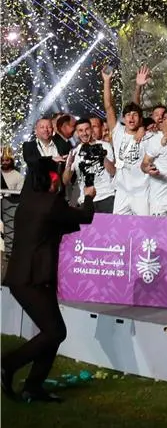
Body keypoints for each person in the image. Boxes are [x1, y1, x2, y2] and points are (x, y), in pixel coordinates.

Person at [1, 159, 96, 403]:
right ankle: (8, 365)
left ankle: (33, 387)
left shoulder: (29, 198)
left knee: (52, 332)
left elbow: (58, 223)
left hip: (24, 277)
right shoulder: (50, 203)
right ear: (51, 179)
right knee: (55, 331)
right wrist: (88, 194)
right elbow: (85, 217)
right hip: (32, 279)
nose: (58, 178)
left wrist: (50, 167)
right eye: (56, 175)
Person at [102, 67, 150, 215]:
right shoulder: (117, 132)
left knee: (144, 231)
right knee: (119, 230)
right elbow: (109, 107)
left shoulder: (148, 136)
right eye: (128, 115)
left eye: (135, 115)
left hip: (142, 192)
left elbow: (136, 106)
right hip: (122, 191)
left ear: (140, 119)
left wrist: (138, 87)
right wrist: (107, 81)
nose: (131, 117)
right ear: (124, 118)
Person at [61, 118, 116, 213]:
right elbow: (65, 181)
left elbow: (113, 172)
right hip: (86, 200)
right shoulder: (74, 152)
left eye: (87, 129)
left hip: (107, 197)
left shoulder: (105, 146)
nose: (84, 133)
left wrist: (102, 156)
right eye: (80, 130)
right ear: (77, 133)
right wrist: (69, 165)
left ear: (91, 129)